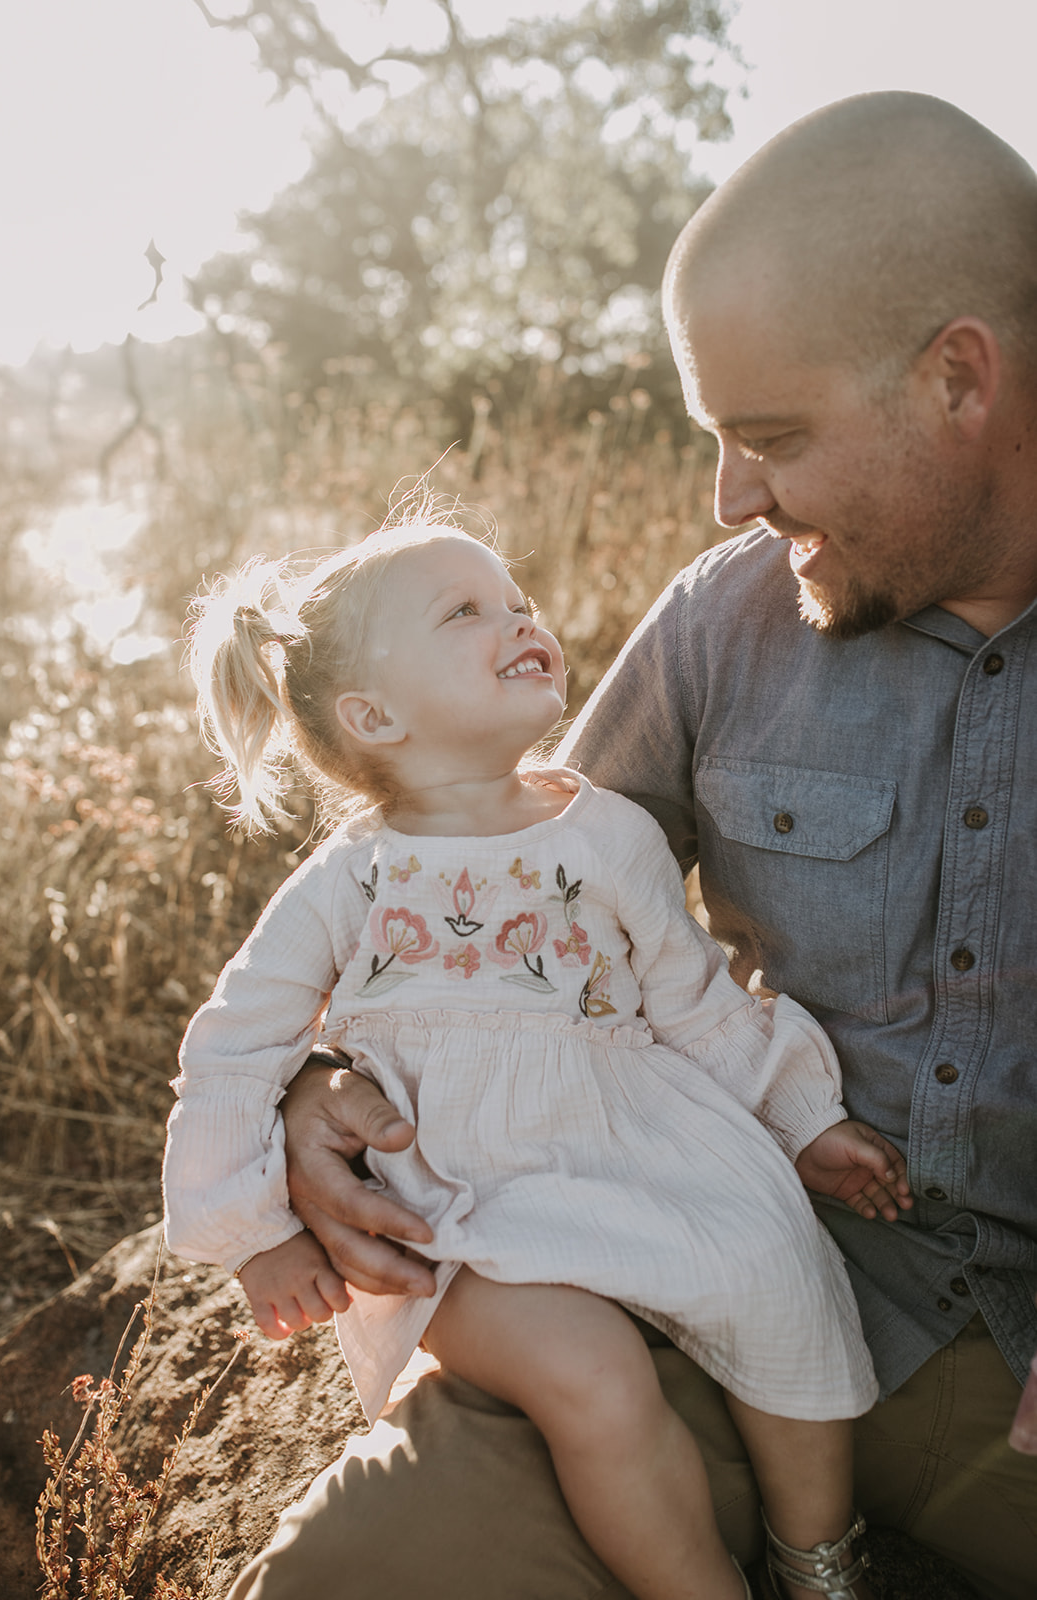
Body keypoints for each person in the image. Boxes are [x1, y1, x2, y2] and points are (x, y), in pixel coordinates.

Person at [221, 92, 1037, 1600]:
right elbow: (494, 879)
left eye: (769, 437)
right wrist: (319, 1086)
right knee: (346, 1583)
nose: (728, 498)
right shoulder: (724, 620)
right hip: (703, 1280)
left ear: (957, 379)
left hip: (1001, 1393)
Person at [164, 516, 913, 1600]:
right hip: (463, 1210)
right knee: (592, 1377)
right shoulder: (349, 881)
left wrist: (801, 1121)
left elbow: (695, 999)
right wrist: (253, 1235)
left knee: (779, 1273)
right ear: (373, 716)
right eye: (464, 612)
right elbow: (236, 1047)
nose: (518, 618)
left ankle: (820, 1559)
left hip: (637, 1153)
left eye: (514, 598)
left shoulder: (604, 833)